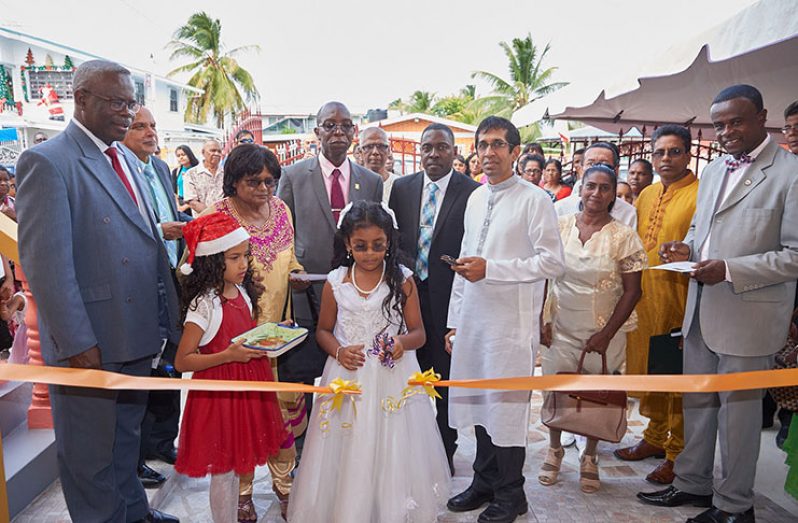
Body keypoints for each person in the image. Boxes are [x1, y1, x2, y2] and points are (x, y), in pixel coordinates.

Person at [16, 59, 179, 523]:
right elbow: (47, 266)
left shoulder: (126, 156)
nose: (127, 113)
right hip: (91, 343)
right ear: (82, 99)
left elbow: (144, 238)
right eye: (116, 102)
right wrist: (78, 342)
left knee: (125, 439)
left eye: (131, 103)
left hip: (136, 331)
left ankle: (133, 513)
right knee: (90, 457)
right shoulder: (48, 162)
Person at [638, 84, 798, 523]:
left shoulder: (791, 172)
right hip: (700, 312)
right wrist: (686, 251)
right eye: (720, 123)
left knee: (738, 420)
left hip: (748, 316)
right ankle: (691, 485)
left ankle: (734, 506)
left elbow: (795, 255)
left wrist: (727, 269)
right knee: (698, 405)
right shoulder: (712, 171)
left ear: (762, 117)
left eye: (736, 121)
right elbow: (703, 235)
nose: (726, 131)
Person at [287, 201, 450, 522]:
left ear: (389, 242)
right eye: (360, 247)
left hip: (394, 378)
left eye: (378, 245)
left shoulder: (403, 280)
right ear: (347, 244)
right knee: (349, 447)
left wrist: (401, 342)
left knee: (392, 447)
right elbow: (323, 331)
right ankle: (349, 509)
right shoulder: (336, 282)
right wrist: (338, 350)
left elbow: (419, 333)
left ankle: (388, 508)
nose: (370, 254)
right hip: (348, 379)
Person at [445, 117, 564, 523]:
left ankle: (512, 494)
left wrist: (492, 269)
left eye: (498, 144)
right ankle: (484, 481)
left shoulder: (535, 199)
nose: (489, 152)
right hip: (475, 323)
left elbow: (552, 261)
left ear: (515, 152)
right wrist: (454, 322)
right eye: (482, 145)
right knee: (481, 404)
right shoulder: (476, 199)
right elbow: (465, 261)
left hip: (510, 328)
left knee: (506, 410)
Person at [203, 143, 307, 521]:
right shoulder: (218, 217)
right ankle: (242, 493)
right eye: (254, 181)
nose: (265, 188)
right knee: (242, 419)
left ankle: (286, 487)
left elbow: (289, 257)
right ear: (233, 182)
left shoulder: (281, 210)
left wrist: (296, 273)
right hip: (236, 341)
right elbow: (199, 275)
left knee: (280, 415)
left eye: (270, 180)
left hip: (280, 338)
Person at [538, 163, 645, 493]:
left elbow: (633, 291)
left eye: (604, 188)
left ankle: (590, 455)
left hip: (603, 334)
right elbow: (544, 276)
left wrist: (606, 334)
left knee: (598, 397)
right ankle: (554, 450)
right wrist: (541, 319)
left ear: (613, 195)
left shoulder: (624, 237)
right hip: (560, 326)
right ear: (580, 189)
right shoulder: (559, 227)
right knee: (557, 392)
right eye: (590, 186)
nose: (596, 193)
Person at [173, 212, 285, 523]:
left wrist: (274, 333)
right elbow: (183, 360)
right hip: (219, 396)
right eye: (234, 257)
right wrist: (228, 356)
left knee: (238, 467)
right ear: (212, 261)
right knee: (223, 471)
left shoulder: (243, 294)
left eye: (245, 256)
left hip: (243, 391)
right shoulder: (205, 304)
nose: (243, 264)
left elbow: (243, 337)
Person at [388, 122, 480, 473]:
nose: (433, 154)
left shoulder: (471, 192)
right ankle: (410, 448)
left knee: (443, 381)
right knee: (408, 378)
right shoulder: (402, 187)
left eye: (442, 147)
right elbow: (396, 242)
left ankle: (444, 451)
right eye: (427, 147)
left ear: (455, 152)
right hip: (407, 301)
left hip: (448, 303)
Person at [614, 125, 698, 485]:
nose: (666, 158)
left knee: (676, 374)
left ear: (688, 154)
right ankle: (654, 437)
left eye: (674, 151)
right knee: (652, 370)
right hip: (646, 299)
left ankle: (678, 452)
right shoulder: (646, 194)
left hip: (680, 298)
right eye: (660, 152)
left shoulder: (702, 193)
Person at [277, 101, 383, 384]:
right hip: (307, 293)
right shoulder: (293, 176)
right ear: (316, 131)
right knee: (306, 374)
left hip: (357, 292)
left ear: (354, 132)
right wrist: (293, 270)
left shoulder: (371, 181)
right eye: (330, 125)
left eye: (345, 125)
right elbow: (282, 235)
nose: (338, 131)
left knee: (355, 368)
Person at [120, 106, 188, 489]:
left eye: (152, 126)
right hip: (137, 284)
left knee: (170, 364)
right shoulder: (118, 170)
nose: (149, 133)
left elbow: (169, 211)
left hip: (171, 278)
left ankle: (164, 441)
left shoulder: (160, 168)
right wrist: (159, 229)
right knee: (142, 370)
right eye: (138, 126)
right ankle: (140, 453)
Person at [555, 142, 638, 228]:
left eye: (604, 164)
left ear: (616, 170)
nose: (596, 169)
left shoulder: (628, 214)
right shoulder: (561, 209)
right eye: (591, 164)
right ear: (581, 168)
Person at [184, 139, 224, 216]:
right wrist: (214, 216)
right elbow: (192, 202)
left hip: (225, 222)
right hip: (202, 221)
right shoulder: (191, 174)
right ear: (203, 152)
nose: (217, 154)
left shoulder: (226, 173)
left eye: (219, 151)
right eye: (213, 150)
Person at [359, 127, 399, 203]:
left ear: (389, 151)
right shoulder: (352, 184)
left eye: (381, 146)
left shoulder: (399, 185)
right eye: (369, 147)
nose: (375, 152)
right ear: (360, 152)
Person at [172, 144, 199, 213]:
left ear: (189, 155)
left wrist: (185, 207)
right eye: (178, 156)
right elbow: (174, 191)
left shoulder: (198, 170)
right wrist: (178, 206)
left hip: (196, 203)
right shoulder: (176, 171)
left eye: (183, 155)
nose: (181, 157)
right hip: (181, 203)